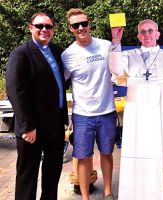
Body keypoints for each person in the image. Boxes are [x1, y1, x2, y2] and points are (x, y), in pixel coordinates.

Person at [109, 19, 163, 200]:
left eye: (150, 31)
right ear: (138, 36)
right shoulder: (128, 56)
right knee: (136, 155)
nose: (147, 35)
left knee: (160, 155)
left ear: (158, 34)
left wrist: (162, 102)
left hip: (161, 117)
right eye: (143, 32)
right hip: (137, 117)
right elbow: (115, 70)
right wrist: (115, 42)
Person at [6, 12, 68, 200]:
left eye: (48, 27)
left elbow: (61, 83)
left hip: (55, 124)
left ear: (53, 30)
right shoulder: (21, 54)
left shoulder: (57, 51)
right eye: (40, 26)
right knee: (28, 175)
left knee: (52, 172)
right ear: (30, 27)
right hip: (32, 127)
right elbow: (15, 91)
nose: (44, 30)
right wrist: (27, 126)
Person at [61, 8, 116, 200]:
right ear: (70, 29)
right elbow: (60, 83)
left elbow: (120, 70)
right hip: (83, 114)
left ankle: (108, 191)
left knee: (107, 152)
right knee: (83, 156)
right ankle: (85, 197)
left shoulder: (105, 45)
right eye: (76, 25)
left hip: (107, 110)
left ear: (89, 24)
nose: (81, 27)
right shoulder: (67, 55)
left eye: (84, 23)